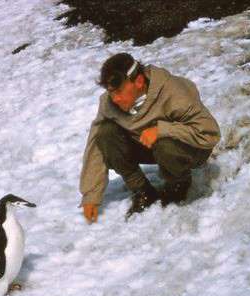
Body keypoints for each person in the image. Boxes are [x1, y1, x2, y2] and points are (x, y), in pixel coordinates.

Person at [79, 53, 220, 223]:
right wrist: (91, 195)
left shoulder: (174, 92)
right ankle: (143, 191)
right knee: (106, 133)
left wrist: (163, 129)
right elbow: (96, 145)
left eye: (119, 91)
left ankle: (177, 184)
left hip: (191, 147)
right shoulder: (109, 103)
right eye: (111, 93)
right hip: (149, 146)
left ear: (138, 81)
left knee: (164, 144)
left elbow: (210, 133)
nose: (115, 98)